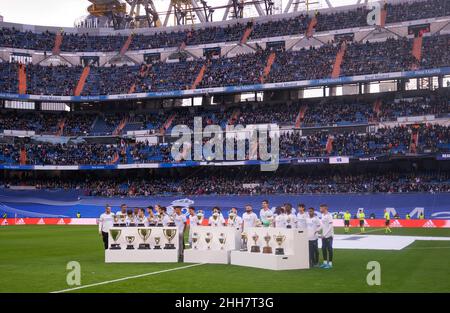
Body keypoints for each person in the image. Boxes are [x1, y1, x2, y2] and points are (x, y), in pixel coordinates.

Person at [319, 204, 334, 269]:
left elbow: (330, 226)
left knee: (329, 249)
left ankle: (330, 264)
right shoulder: (322, 215)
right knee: (323, 249)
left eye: (321, 208)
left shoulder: (329, 215)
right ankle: (325, 263)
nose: (320, 209)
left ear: (325, 208)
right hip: (324, 235)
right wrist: (317, 230)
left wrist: (325, 234)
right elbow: (322, 225)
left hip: (329, 235)